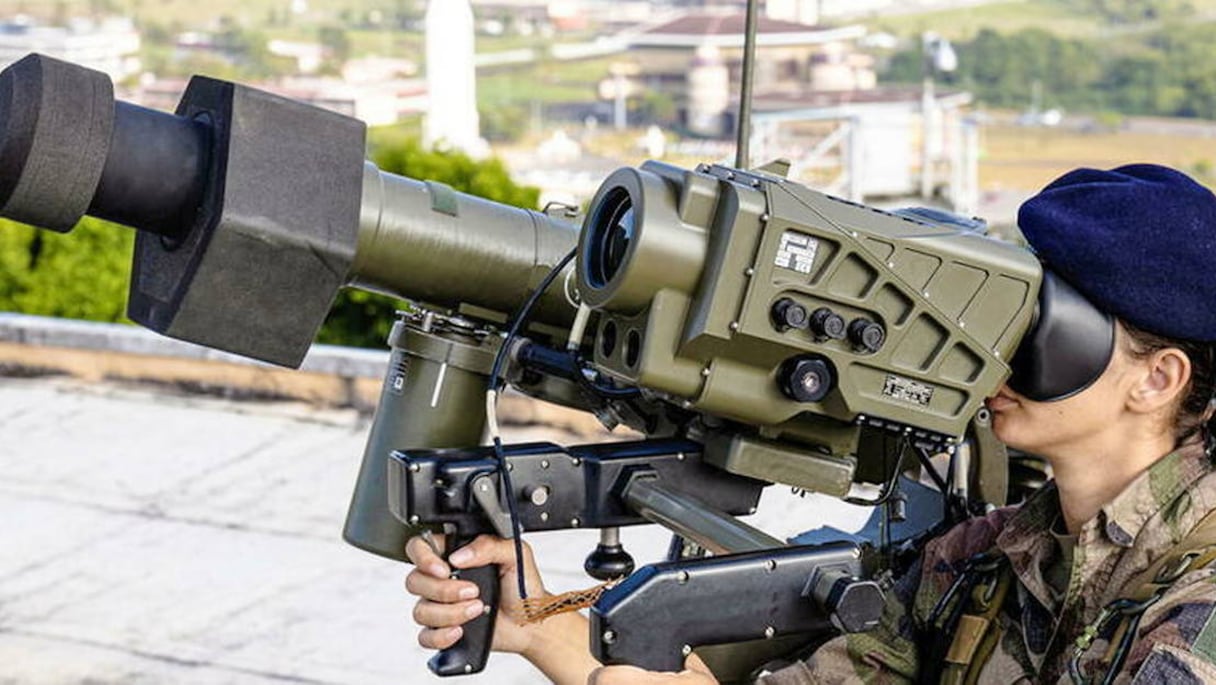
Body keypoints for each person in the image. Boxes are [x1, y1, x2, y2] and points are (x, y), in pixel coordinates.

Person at [404, 164, 1216, 683]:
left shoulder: (1199, 612)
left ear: (1158, 379)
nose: (997, 359)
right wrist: (542, 628)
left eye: (1045, 331)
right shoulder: (980, 561)